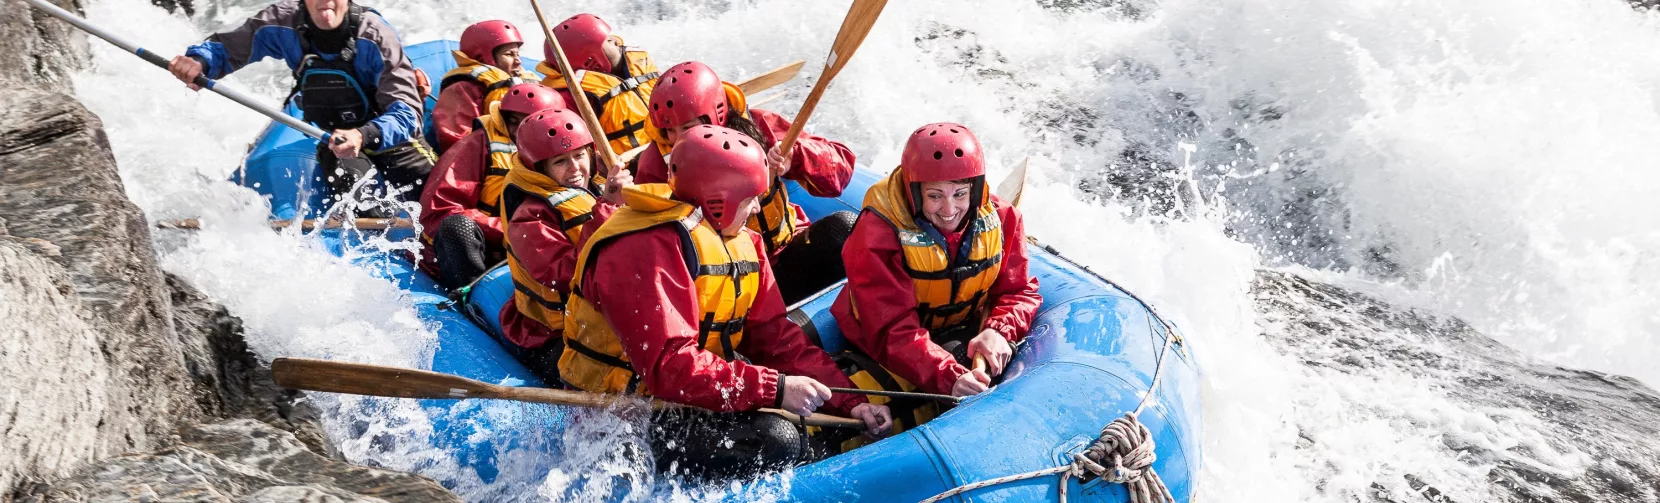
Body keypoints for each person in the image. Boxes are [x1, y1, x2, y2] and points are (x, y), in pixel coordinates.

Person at [559, 125, 889, 478]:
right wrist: (774, 390)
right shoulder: (642, 250)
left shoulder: (742, 240)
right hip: (626, 410)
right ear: (719, 201)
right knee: (778, 441)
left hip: (690, 389)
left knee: (812, 425)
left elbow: (774, 336)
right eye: (749, 198)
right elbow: (669, 367)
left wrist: (850, 402)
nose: (757, 206)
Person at [829, 123, 1042, 432]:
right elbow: (891, 330)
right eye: (935, 195)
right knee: (961, 357)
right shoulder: (878, 233)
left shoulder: (1003, 217)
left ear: (975, 187)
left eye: (959, 193)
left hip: (957, 327)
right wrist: (950, 377)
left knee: (974, 352)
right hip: (886, 340)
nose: (949, 209)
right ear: (914, 193)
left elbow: (1020, 290)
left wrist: (1000, 330)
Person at [169, 0, 435, 214]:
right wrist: (199, 62)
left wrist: (362, 135)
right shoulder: (283, 22)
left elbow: (407, 114)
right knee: (360, 201)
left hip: (392, 140)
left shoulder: (375, 35)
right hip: (335, 144)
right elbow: (224, 48)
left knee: (437, 197)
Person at [637, 61, 856, 304]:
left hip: (782, 250)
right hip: (725, 276)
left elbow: (841, 168)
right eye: (670, 130)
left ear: (717, 114)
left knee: (843, 228)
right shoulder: (656, 163)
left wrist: (796, 156)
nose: (678, 139)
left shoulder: (758, 126)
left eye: (687, 127)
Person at [495, 107, 629, 383]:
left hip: (605, 317)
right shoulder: (528, 216)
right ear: (540, 168)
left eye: (579, 155)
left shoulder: (599, 185)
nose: (575, 169)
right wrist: (608, 209)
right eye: (560, 161)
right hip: (555, 334)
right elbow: (564, 275)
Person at [417, 83, 565, 289]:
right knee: (457, 227)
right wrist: (513, 231)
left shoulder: (568, 155)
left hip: (535, 248)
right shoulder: (477, 144)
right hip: (485, 251)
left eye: (528, 123)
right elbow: (440, 213)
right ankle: (470, 296)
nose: (518, 130)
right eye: (513, 121)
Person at [537, 13, 659, 154]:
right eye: (607, 41)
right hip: (632, 168)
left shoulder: (639, 63)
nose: (616, 41)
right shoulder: (573, 98)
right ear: (591, 59)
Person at [430, 20, 541, 152]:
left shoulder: (527, 82)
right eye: (509, 54)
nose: (518, 61)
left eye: (518, 54)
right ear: (483, 57)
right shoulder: (462, 90)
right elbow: (457, 140)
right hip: (492, 164)